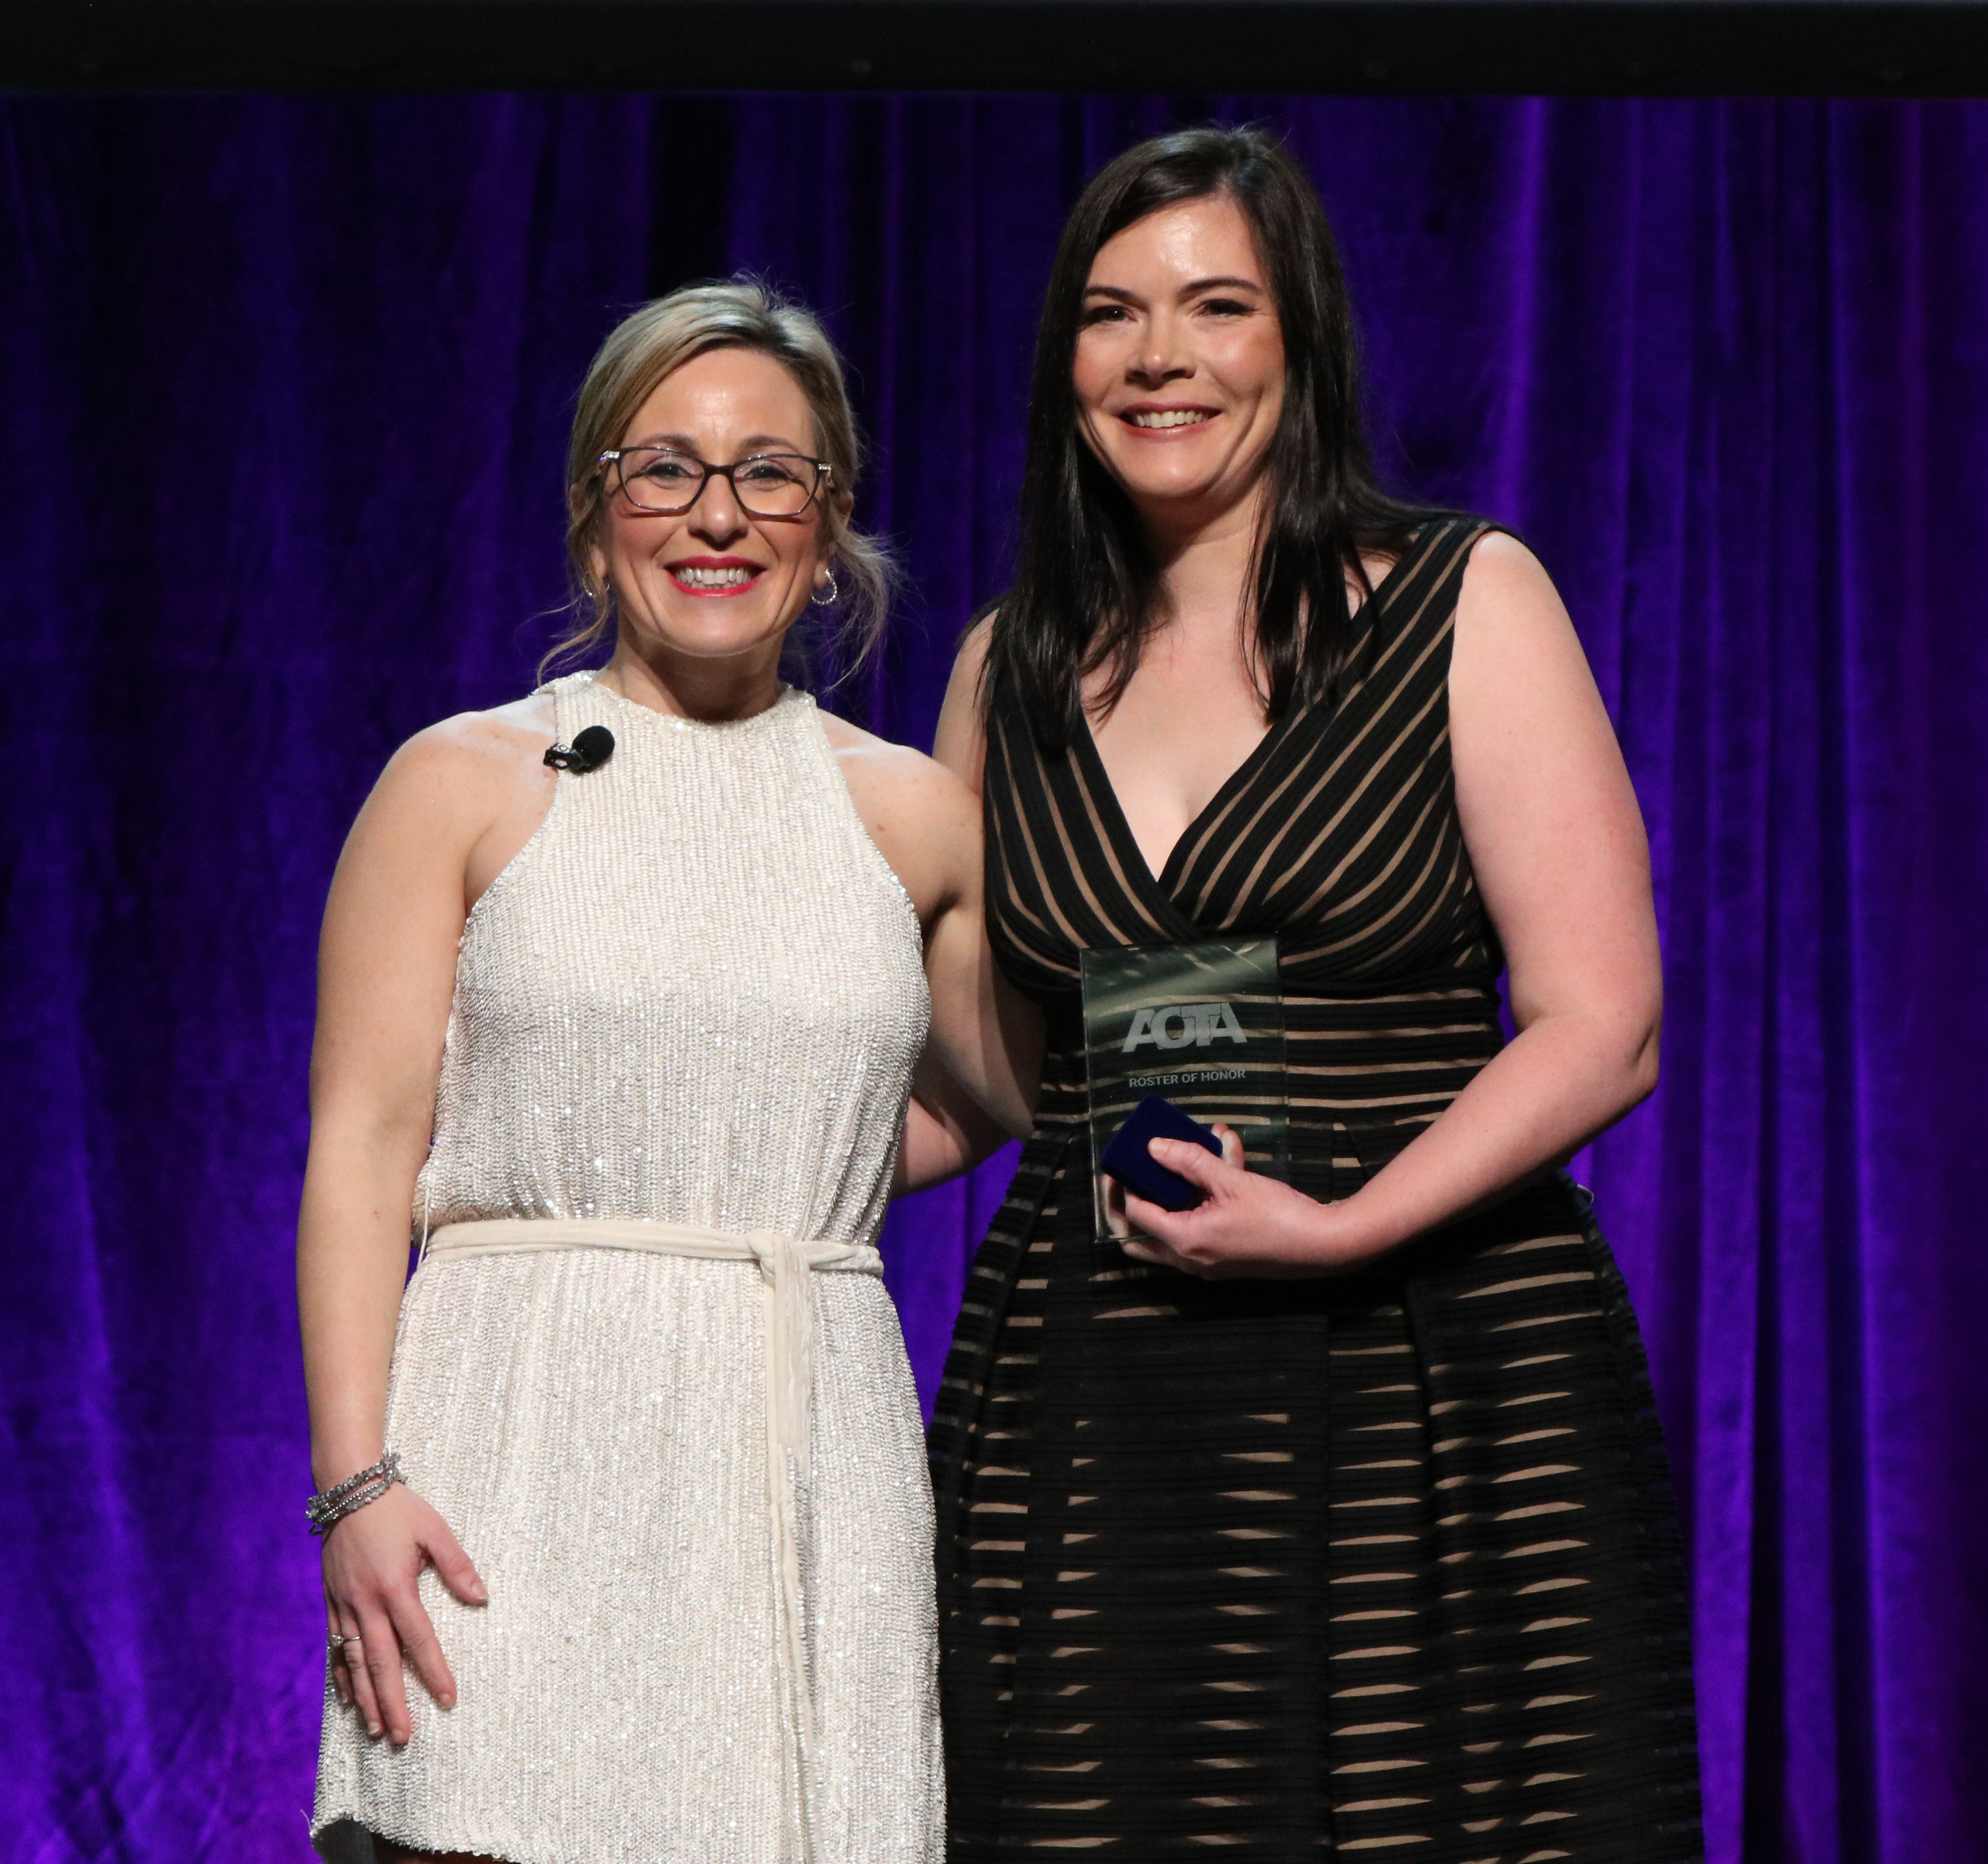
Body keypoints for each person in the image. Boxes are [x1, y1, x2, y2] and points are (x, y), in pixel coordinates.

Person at [926, 128, 1705, 1861]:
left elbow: (1603, 1020)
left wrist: (1344, 1230)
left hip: (1430, 1369)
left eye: (1216, 306)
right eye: (1112, 314)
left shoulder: (1459, 598)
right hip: (1100, 1382)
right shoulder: (1009, 667)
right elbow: (994, 1076)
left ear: (1300, 340)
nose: (1161, 358)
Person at [299, 280, 1026, 1864]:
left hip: (800, 1445)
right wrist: (356, 1483)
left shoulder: (907, 812)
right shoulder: (461, 780)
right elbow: (363, 1146)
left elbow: (996, 1083)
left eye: (770, 469)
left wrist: (777, 1162)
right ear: (594, 512)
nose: (719, 512)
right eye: (665, 467)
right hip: (514, 1446)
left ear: (826, 523)